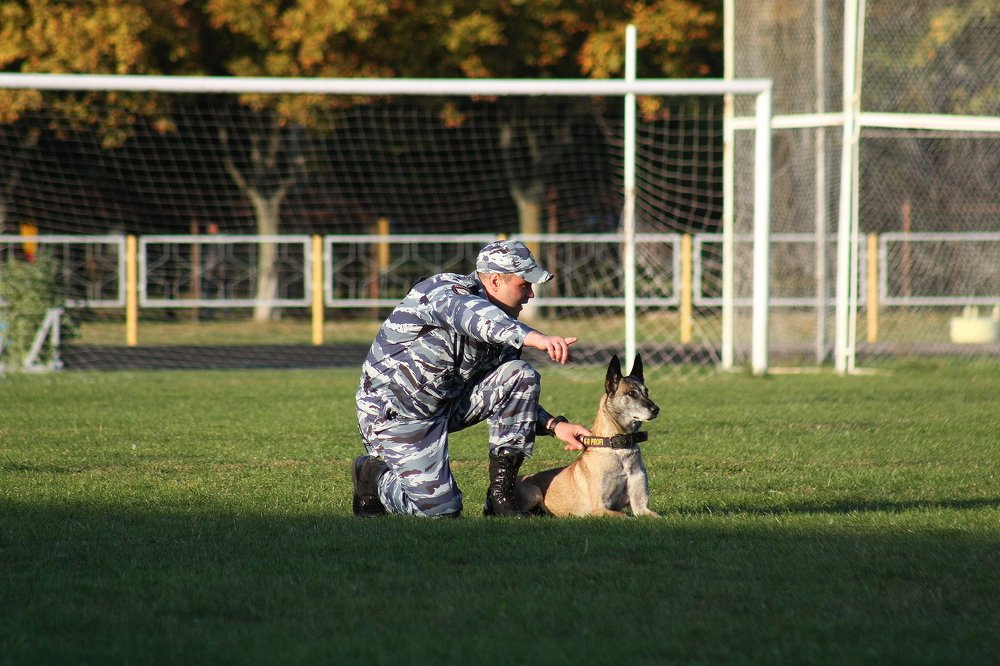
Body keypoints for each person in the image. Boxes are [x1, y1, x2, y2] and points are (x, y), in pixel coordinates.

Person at [352, 239, 592, 518]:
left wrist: (554, 425)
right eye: (524, 284)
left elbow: (509, 392)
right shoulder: (442, 291)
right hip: (398, 415)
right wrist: (533, 337)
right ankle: (372, 475)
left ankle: (503, 498)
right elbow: (472, 314)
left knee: (519, 374)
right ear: (494, 280)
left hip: (447, 405)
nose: (530, 295)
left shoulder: (505, 330)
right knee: (441, 512)